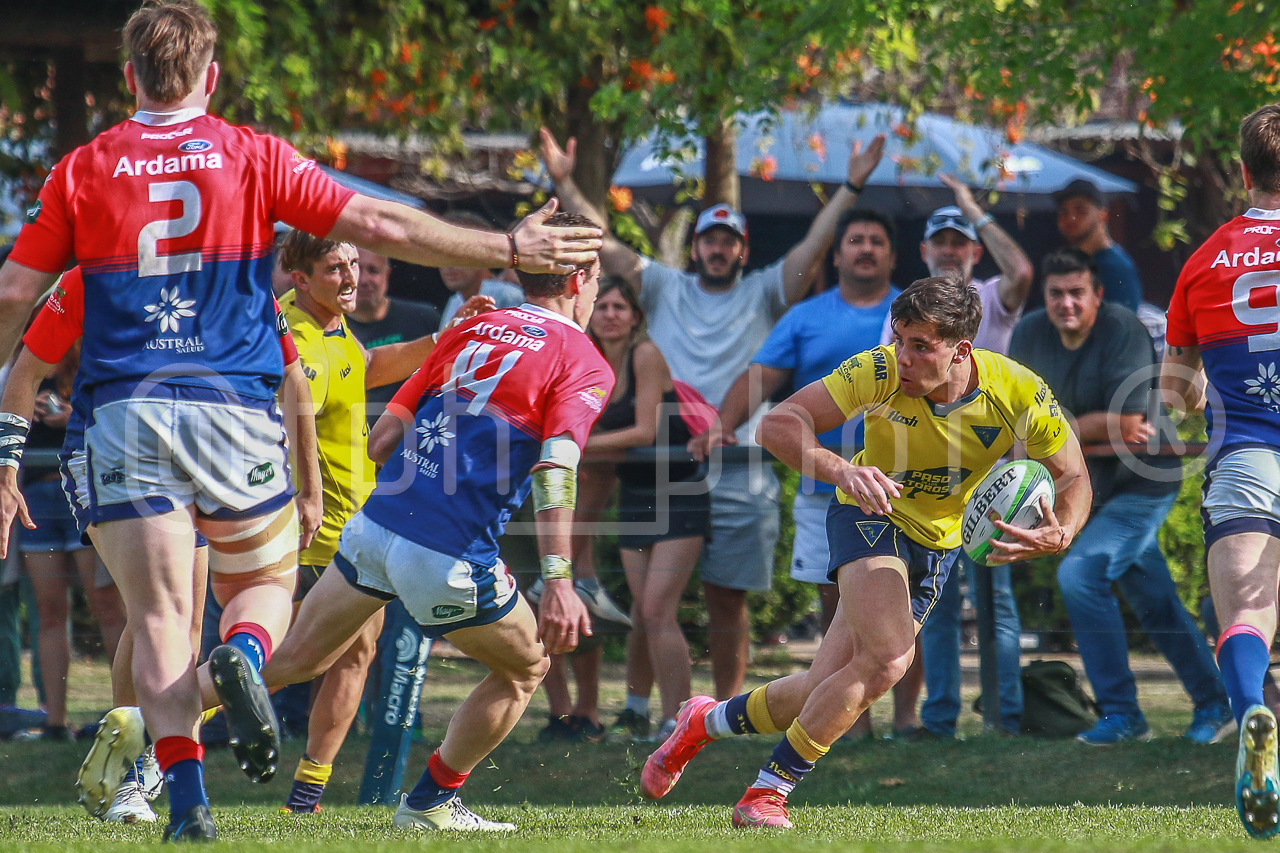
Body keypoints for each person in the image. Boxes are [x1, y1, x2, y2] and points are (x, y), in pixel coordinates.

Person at [0, 2, 599, 840]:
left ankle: (186, 805)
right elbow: (382, 223)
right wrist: (505, 250)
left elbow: (14, 297)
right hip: (234, 411)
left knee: (163, 621)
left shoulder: (83, 168)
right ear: (212, 78)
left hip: (127, 413)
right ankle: (245, 658)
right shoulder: (252, 154)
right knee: (261, 592)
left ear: (129, 77)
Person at [179, 211, 606, 831]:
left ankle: (144, 729)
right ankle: (430, 803)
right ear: (582, 277)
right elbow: (556, 470)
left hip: (374, 529)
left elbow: (381, 440)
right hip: (447, 551)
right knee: (526, 668)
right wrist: (560, 580)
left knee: (295, 657)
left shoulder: (473, 329)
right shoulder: (582, 358)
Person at [641, 275, 1091, 829]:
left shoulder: (1018, 393)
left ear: (962, 351)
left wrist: (1062, 531)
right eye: (900, 339)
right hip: (867, 514)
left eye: (922, 345)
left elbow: (1073, 476)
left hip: (938, 544)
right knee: (888, 659)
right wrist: (844, 470)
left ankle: (703, 722)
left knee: (819, 690)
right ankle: (767, 793)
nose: (903, 356)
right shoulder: (878, 369)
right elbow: (780, 424)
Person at [543, 125, 887, 700]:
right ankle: (638, 705)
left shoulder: (765, 293)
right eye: (709, 239)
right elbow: (604, 241)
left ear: (742, 249)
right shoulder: (663, 287)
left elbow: (813, 247)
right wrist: (564, 184)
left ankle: (726, 711)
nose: (718, 248)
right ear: (697, 245)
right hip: (662, 464)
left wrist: (850, 185)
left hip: (741, 461)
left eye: (729, 240)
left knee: (728, 597)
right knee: (651, 598)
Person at [1, 265, 320, 822]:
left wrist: (5, 469)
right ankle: (152, 756)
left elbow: (22, 372)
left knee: (166, 619)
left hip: (123, 443)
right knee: (188, 615)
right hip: (218, 441)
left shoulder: (90, 274)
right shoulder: (235, 272)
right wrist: (308, 486)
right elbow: (294, 378)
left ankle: (142, 768)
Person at [693, 207, 921, 739]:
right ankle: (850, 721)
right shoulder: (806, 316)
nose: (865, 248)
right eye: (856, 240)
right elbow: (761, 377)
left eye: (876, 240)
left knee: (908, 608)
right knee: (835, 600)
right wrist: (721, 426)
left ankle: (909, 719)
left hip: (911, 488)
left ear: (891, 254)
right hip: (829, 489)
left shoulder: (913, 316)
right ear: (837, 255)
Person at [275, 229, 473, 813]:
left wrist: (446, 338)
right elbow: (297, 414)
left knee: (353, 653)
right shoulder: (297, 336)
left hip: (353, 525)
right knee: (288, 659)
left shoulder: (333, 324)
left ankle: (306, 794)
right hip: (308, 526)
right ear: (300, 279)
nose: (352, 278)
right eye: (336, 269)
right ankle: (162, 736)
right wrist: (310, 496)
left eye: (355, 264)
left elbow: (368, 366)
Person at [1010, 248, 1231, 745]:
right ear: (1043, 297)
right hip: (1086, 489)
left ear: (1097, 295)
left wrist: (1057, 426)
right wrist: (1084, 426)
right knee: (1153, 600)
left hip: (1142, 483)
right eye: (1055, 294)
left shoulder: (1123, 328)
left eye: (1076, 293)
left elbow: (1130, 424)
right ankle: (1216, 704)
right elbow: (1018, 426)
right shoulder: (1027, 335)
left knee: (1080, 574)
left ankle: (1123, 714)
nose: (1066, 304)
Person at [1160, 102, 1280, 839]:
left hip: (1246, 454)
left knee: (1246, 616)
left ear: (1242, 171)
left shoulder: (1205, 259)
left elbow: (1175, 393)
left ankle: (1252, 725)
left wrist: (1201, 387)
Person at [880, 189, 1035, 739]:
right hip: (932, 480)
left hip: (995, 476)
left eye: (960, 243)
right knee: (934, 604)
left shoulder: (993, 295)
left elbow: (1021, 268)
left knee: (998, 599)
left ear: (974, 251)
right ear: (923, 249)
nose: (950, 250)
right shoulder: (905, 315)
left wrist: (973, 208)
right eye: (941, 242)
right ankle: (940, 718)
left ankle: (1006, 717)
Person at [584, 278, 709, 741]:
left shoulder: (645, 356)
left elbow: (643, 431)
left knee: (658, 609)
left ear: (636, 316)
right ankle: (638, 712)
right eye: (602, 307)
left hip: (678, 489)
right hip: (635, 495)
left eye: (620, 307)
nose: (611, 314)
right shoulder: (589, 360)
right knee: (644, 610)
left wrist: (576, 445)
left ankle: (683, 720)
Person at [11, 329, 126, 742]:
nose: (38, 347)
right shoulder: (25, 379)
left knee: (107, 606)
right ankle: (55, 720)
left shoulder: (90, 374)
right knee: (48, 610)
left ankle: (122, 716)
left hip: (84, 494)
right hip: (38, 501)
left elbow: (116, 419)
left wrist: (70, 416)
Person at [345, 247, 441, 425]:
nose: (364, 280)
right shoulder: (335, 328)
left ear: (387, 274)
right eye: (357, 270)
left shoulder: (423, 318)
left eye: (373, 270)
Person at [1054, 179, 1142, 312]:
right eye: (1064, 212)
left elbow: (1122, 327)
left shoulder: (1116, 268)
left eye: (1081, 211)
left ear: (1103, 215)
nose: (1071, 218)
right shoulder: (1066, 263)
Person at [436, 212, 525, 330]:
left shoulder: (508, 295)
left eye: (458, 253)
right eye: (441, 254)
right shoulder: (455, 300)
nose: (448, 265)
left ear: (484, 253)